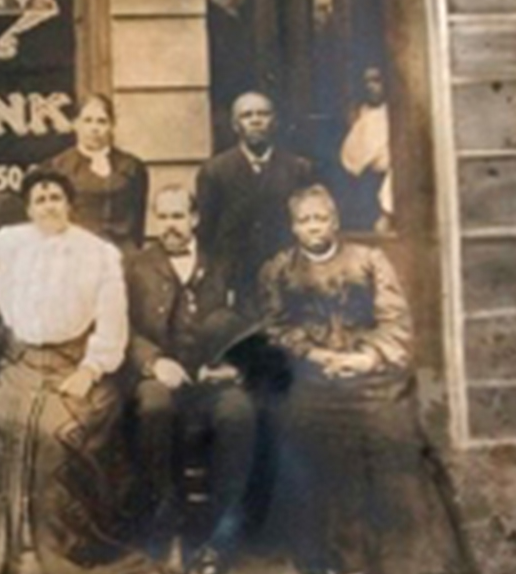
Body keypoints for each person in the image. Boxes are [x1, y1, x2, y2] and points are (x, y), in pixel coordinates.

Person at [260, 185, 471, 574]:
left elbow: (395, 323)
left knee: (394, 437)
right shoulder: (279, 271)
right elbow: (277, 329)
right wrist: (314, 355)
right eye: (305, 221)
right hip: (313, 379)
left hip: (370, 378)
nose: (314, 228)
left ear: (335, 221)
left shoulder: (370, 261)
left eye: (321, 218)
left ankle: (406, 560)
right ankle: (331, 560)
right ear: (293, 227)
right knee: (306, 438)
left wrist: (365, 358)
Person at [0, 167, 140, 574]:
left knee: (54, 431)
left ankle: (54, 549)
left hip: (75, 362)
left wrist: (92, 367)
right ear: (28, 209)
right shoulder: (10, 242)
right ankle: (7, 549)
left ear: (70, 204)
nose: (48, 206)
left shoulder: (98, 252)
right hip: (19, 363)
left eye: (55, 198)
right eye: (40, 200)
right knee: (3, 419)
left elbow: (112, 321)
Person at [125, 185, 255, 574]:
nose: (170, 226)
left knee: (238, 414)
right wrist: (153, 362)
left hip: (213, 378)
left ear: (195, 219)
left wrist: (234, 365)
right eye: (163, 217)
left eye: (178, 216)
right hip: (161, 375)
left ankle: (216, 539)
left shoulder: (223, 264)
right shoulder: (136, 266)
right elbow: (123, 327)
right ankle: (162, 529)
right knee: (153, 407)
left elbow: (251, 321)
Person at [196, 91, 312, 301]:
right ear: (235, 125)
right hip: (235, 277)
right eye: (247, 115)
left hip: (286, 273)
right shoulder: (215, 171)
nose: (256, 121)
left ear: (274, 121)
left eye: (263, 114)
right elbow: (206, 232)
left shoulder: (297, 169)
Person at [45, 93, 149, 249]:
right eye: (87, 121)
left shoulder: (132, 167)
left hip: (120, 256)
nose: (94, 128)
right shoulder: (58, 167)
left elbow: (138, 222)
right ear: (75, 124)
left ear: (112, 125)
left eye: (102, 121)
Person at [339, 65, 393, 233]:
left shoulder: (393, 113)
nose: (371, 86)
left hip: (388, 183)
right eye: (366, 82)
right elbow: (351, 158)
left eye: (376, 80)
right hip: (363, 185)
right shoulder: (358, 114)